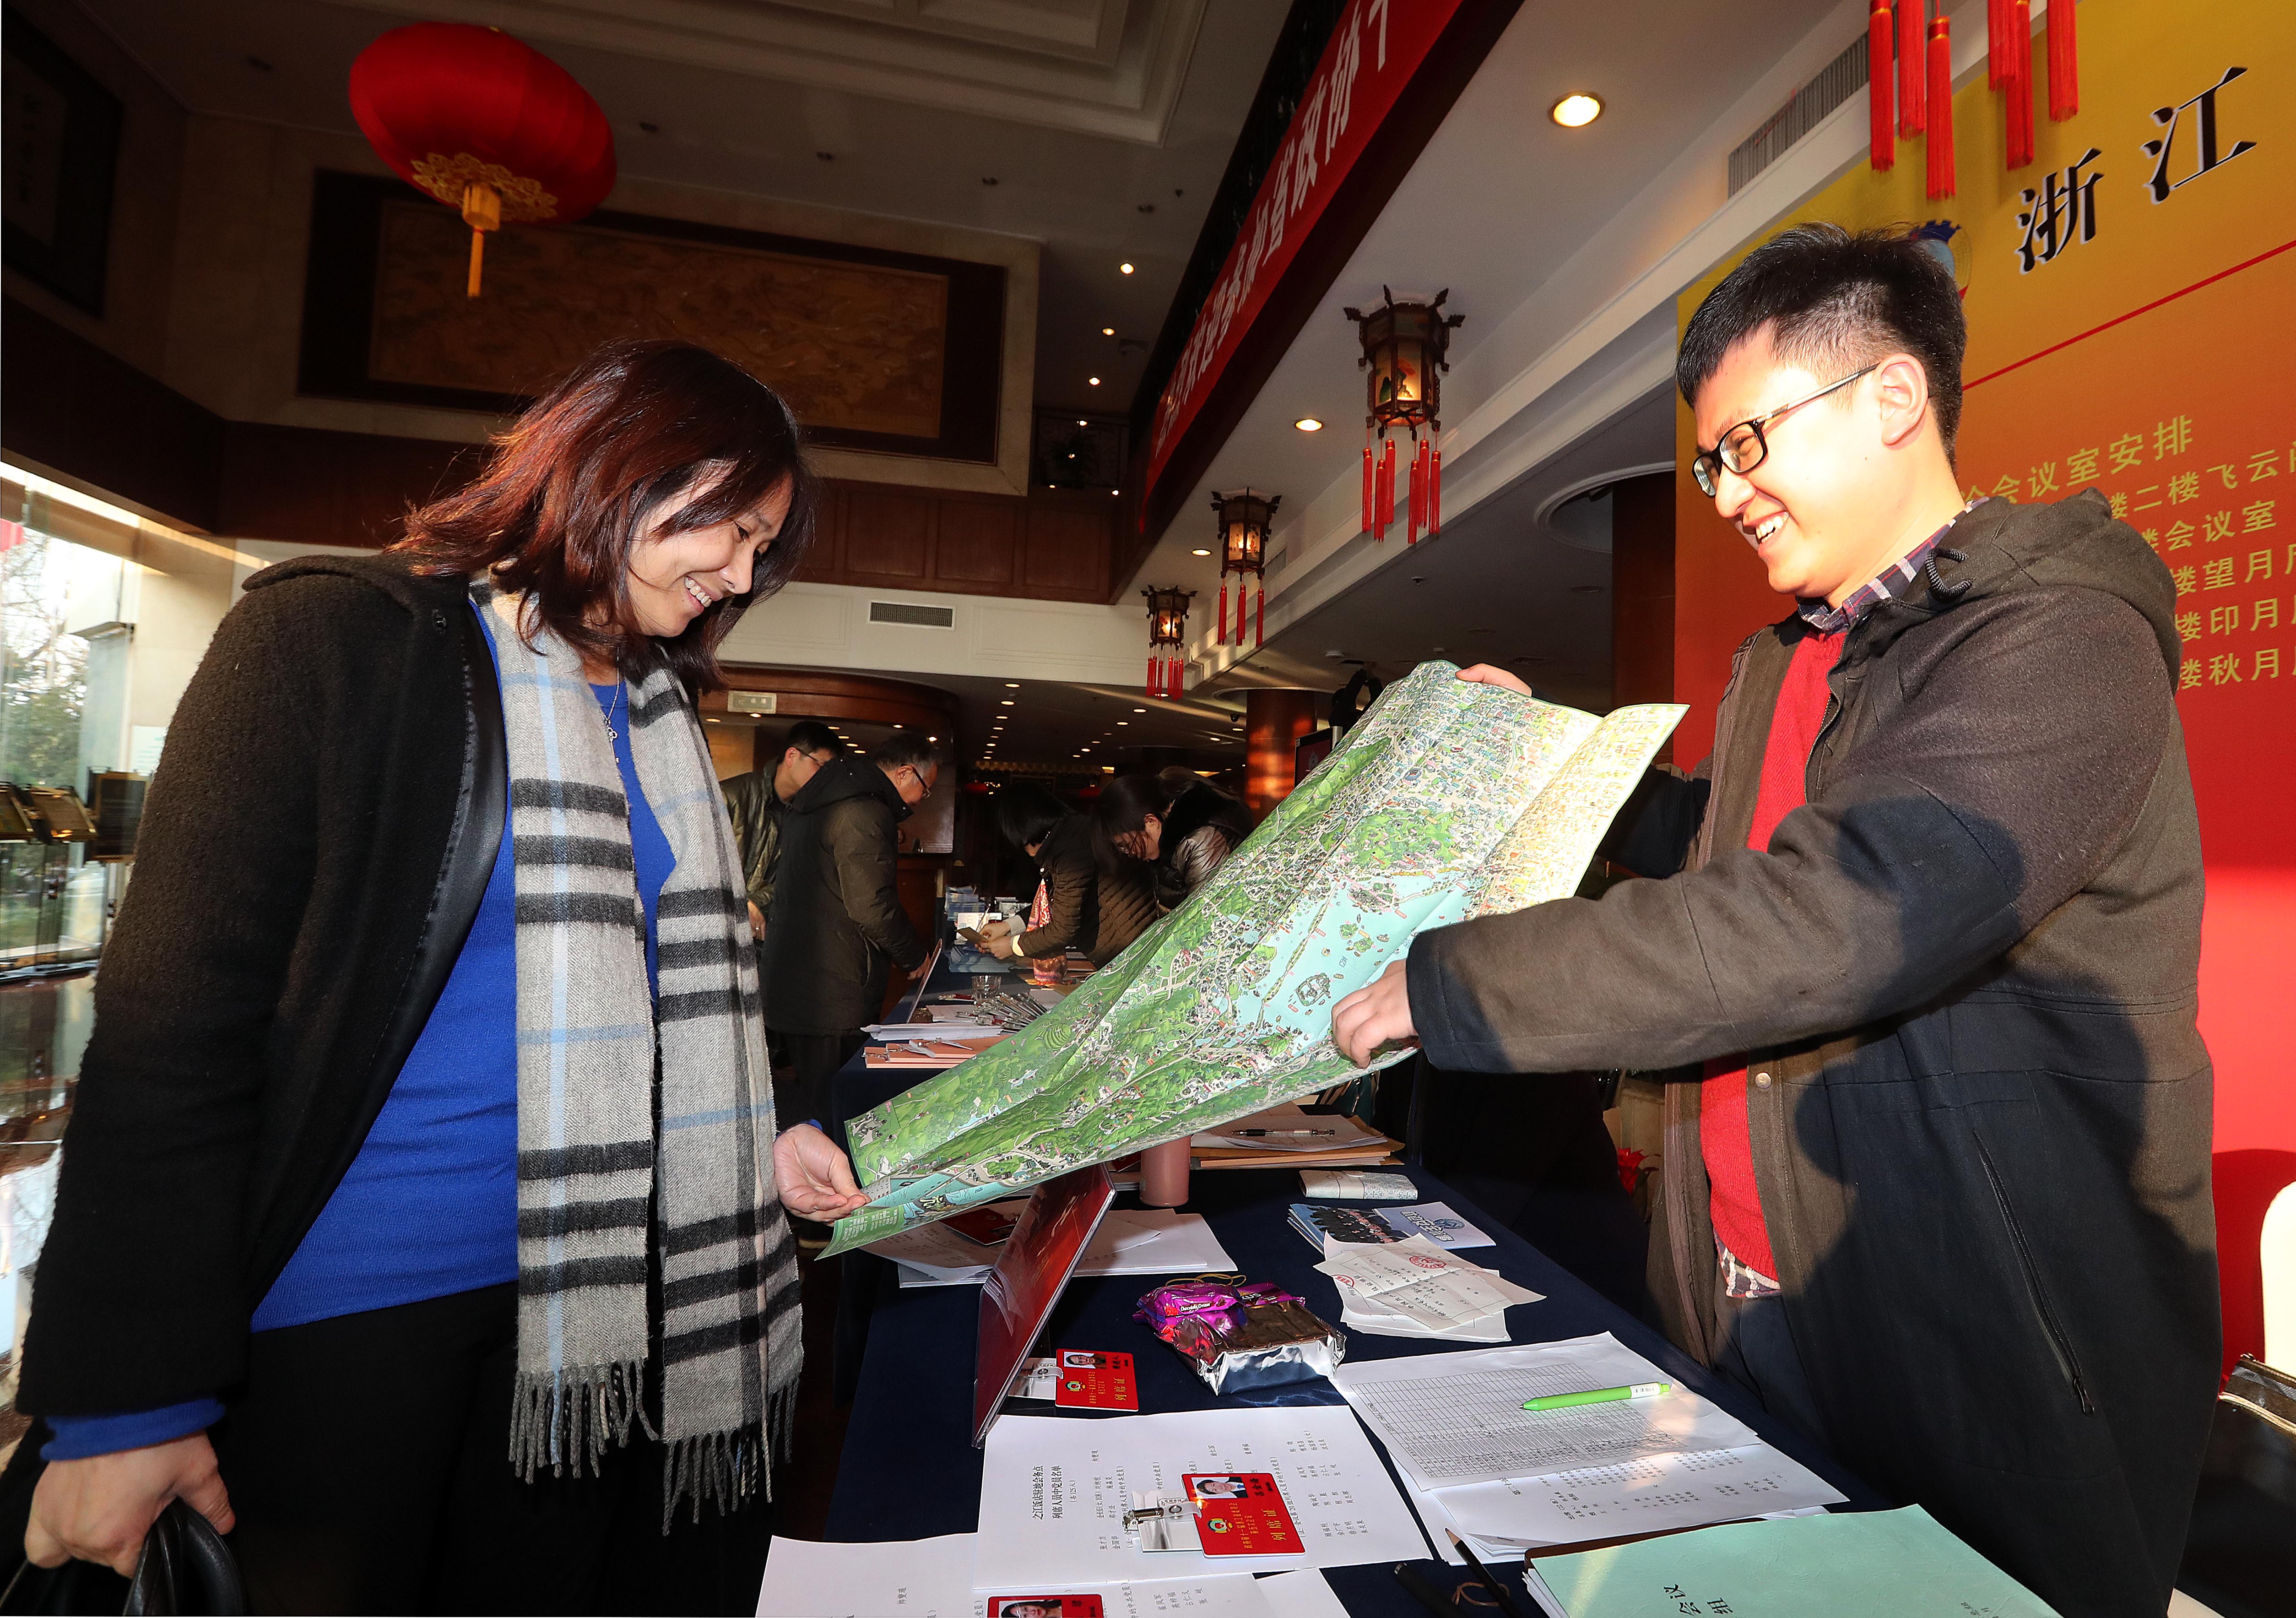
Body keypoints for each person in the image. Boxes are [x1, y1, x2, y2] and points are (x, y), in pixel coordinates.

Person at [1331, 224, 2214, 1616]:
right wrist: (1548, 764)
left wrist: (1459, 983)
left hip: (1971, 1339)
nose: (1728, 492)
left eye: (1746, 443)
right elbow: (1723, 851)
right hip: (1742, 1301)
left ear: (1892, 396)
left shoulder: (2058, 638)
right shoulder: (1787, 656)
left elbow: (1841, 906)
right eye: (1709, 463)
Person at [10, 340, 876, 1615]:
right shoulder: (336, 639)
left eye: (762, 549)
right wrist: (125, 1401)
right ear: (623, 465)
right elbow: (173, 1029)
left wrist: (758, 1147)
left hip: (580, 1332)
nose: (741, 576)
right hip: (341, 1324)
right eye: (733, 529)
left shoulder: (655, 713)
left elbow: (635, 1015)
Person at [760, 732, 937, 1145]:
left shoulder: (819, 798)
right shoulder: (864, 809)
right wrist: (915, 956)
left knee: (816, 1106)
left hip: (802, 978)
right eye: (925, 789)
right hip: (833, 984)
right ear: (905, 773)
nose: (921, 800)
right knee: (835, 1116)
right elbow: (872, 904)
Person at [979, 783, 1156, 969]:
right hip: (1134, 943)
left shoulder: (1069, 850)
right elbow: (1058, 903)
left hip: (1132, 952)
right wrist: (1008, 926)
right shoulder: (1069, 835)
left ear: (1021, 830)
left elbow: (1063, 929)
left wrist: (1013, 946)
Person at [721, 720, 844, 942]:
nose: (826, 778)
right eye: (821, 766)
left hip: (769, 932)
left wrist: (756, 903)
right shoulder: (732, 796)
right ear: (792, 756)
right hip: (720, 924)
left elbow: (802, 878)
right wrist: (741, 906)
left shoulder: (814, 815)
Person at [1093, 771, 1256, 909]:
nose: (1129, 853)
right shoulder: (1167, 848)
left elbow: (1206, 918)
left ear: (1151, 822)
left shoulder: (1203, 843)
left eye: (1127, 845)